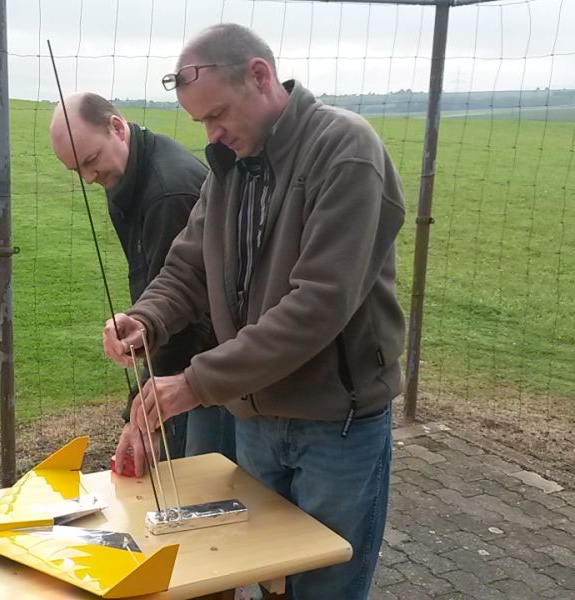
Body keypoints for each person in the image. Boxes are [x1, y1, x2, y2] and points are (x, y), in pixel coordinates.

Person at [102, 24, 406, 599]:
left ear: (261, 76)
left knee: (325, 587)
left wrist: (195, 383)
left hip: (335, 424)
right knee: (270, 581)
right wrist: (147, 318)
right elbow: (190, 264)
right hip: (256, 419)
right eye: (201, 122)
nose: (212, 134)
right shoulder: (231, 164)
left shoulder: (345, 150)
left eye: (217, 114)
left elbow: (318, 304)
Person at [48, 92, 235, 476]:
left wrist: (143, 417)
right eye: (76, 170)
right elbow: (154, 288)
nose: (88, 177)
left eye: (91, 160)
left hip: (210, 370)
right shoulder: (127, 173)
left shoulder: (167, 193)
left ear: (117, 128)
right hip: (185, 365)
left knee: (202, 485)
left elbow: (184, 315)